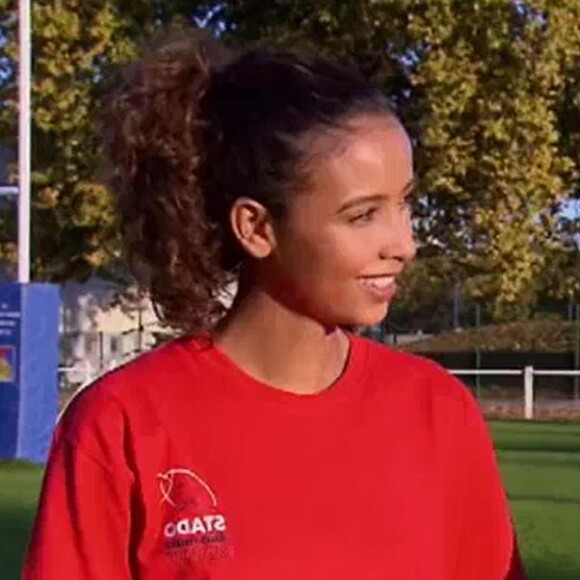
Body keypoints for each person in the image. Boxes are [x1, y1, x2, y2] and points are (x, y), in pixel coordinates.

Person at [23, 33, 526, 579]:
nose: (402, 243)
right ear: (257, 228)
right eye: (363, 216)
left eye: (403, 204)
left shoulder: (438, 410)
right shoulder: (122, 423)